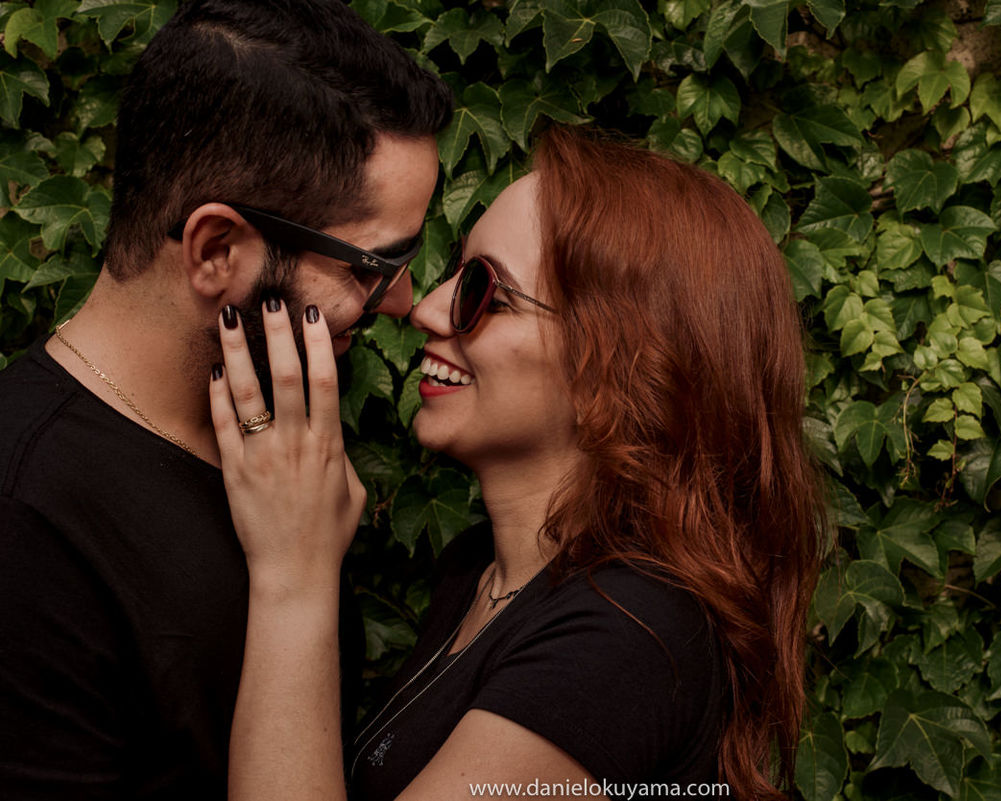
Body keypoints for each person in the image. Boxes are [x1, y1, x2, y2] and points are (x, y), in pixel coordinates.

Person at [210, 127, 828, 801]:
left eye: (484, 291)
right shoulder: (478, 571)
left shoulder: (625, 637)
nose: (425, 309)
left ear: (627, 364)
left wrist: (292, 575)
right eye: (456, 273)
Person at [0, 1, 451, 797]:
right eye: (371, 264)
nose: (403, 298)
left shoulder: (281, 434)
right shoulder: (25, 519)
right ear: (217, 249)